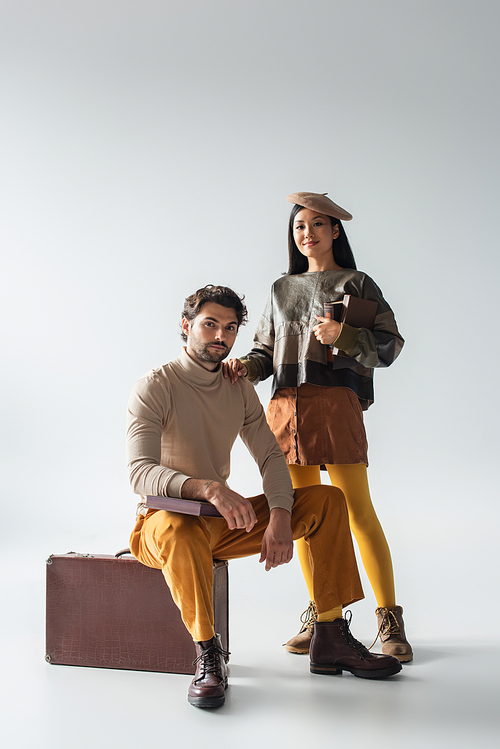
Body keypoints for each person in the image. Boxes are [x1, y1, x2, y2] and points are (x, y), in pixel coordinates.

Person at [126, 284, 402, 709]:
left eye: (231, 328)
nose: (220, 335)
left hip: (221, 526)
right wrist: (209, 488)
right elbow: (139, 474)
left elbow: (272, 456)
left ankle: (329, 636)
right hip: (162, 525)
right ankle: (208, 654)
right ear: (186, 326)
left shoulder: (236, 387)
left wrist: (279, 514)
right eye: (210, 324)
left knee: (326, 501)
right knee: (180, 529)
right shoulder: (155, 386)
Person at [222, 192, 413, 662]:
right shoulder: (280, 290)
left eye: (316, 225)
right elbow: (265, 353)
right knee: (304, 517)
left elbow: (390, 345)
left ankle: (389, 618)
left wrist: (344, 335)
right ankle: (324, 616)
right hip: (286, 411)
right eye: (299, 227)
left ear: (335, 231)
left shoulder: (358, 282)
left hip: (336, 405)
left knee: (357, 511)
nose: (306, 234)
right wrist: (245, 367)